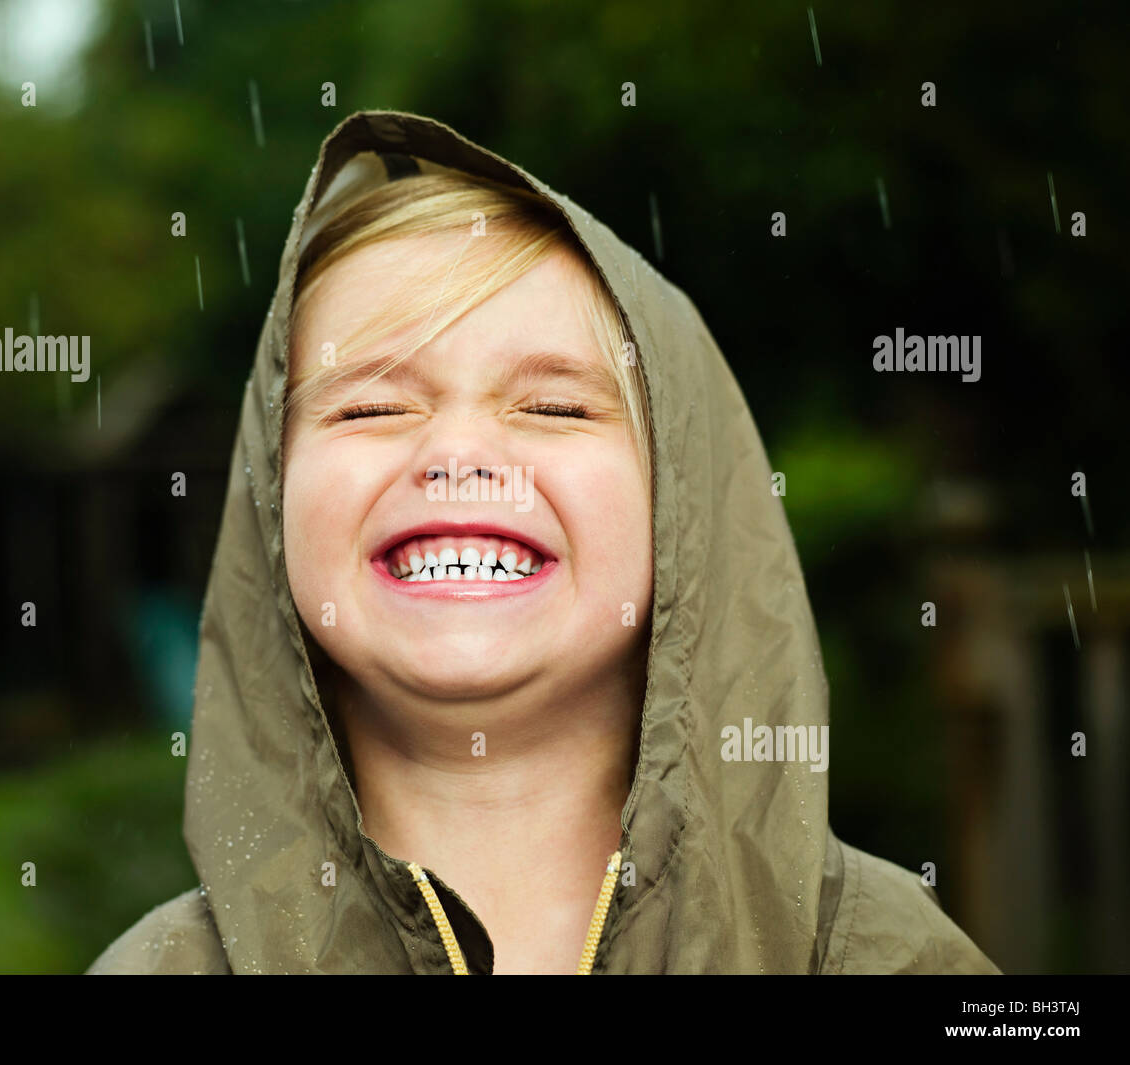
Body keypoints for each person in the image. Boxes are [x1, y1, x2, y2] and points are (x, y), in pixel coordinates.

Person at [87, 110, 1000, 974]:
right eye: (369, 405)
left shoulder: (884, 957)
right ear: (273, 497)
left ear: (679, 501)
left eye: (555, 406)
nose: (456, 452)